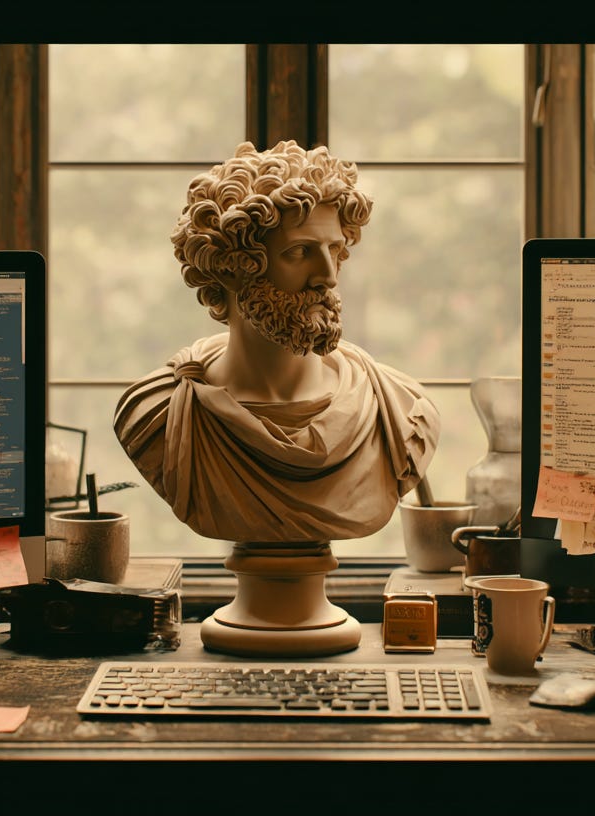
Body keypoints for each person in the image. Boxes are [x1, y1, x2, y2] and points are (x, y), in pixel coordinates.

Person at [113, 140, 440, 545]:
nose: (328, 276)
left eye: (334, 250)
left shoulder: (399, 411)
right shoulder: (160, 415)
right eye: (300, 252)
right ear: (233, 269)